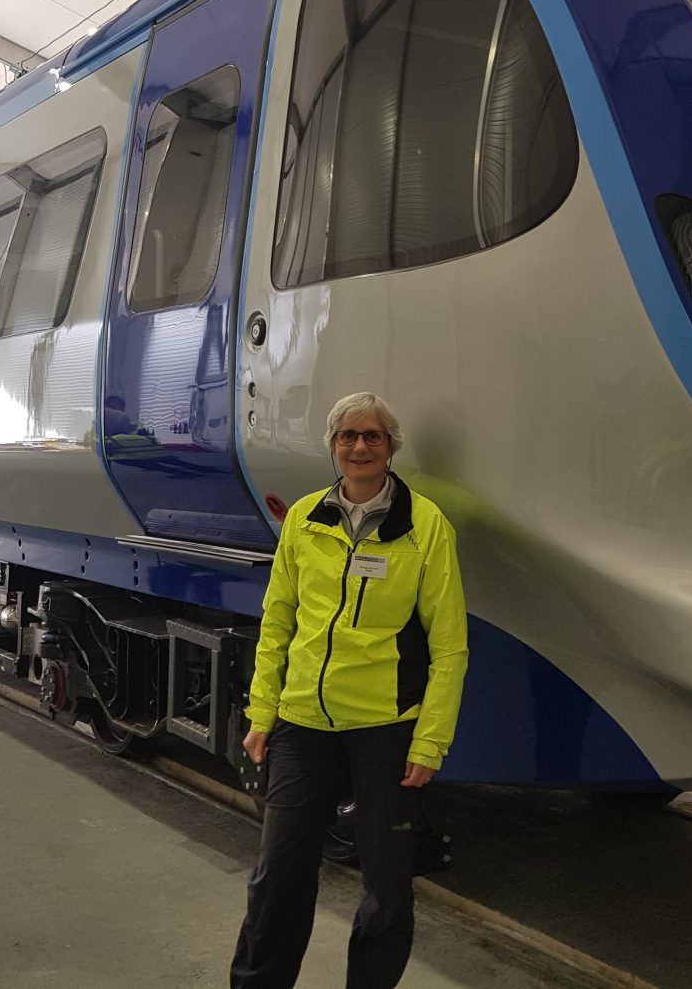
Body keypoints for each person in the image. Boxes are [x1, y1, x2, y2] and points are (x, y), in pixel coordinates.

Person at [230, 392, 468, 989]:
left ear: (390, 447)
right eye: (348, 436)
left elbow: (450, 647)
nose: (360, 446)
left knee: (386, 888)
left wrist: (430, 741)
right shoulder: (305, 519)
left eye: (373, 436)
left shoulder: (425, 527)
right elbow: (277, 622)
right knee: (277, 876)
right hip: (302, 723)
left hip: (386, 730)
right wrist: (262, 712)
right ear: (333, 446)